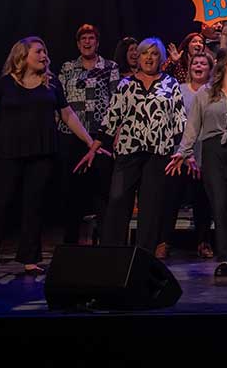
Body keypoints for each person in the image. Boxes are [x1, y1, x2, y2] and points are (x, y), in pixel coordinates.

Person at [0, 37, 104, 280]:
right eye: (38, 52)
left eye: (45, 52)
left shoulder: (52, 83)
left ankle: (29, 260)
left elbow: (68, 115)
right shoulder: (5, 83)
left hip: (41, 153)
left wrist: (90, 142)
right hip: (7, 153)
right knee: (0, 205)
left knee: (34, 206)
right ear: (22, 56)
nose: (44, 56)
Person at [165, 46, 227, 276]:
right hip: (213, 150)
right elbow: (193, 125)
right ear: (224, 63)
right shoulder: (206, 92)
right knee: (220, 204)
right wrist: (183, 151)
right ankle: (226, 259)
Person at [100, 39, 187, 253]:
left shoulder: (170, 83)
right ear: (138, 58)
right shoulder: (125, 84)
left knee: (151, 206)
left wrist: (184, 150)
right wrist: (97, 145)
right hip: (128, 151)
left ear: (161, 58)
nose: (149, 58)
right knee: (118, 200)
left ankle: (143, 255)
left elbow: (179, 120)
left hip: (158, 153)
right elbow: (111, 117)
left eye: (154, 53)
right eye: (145, 53)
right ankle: (112, 253)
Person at [57, 23, 119, 245]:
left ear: (97, 42)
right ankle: (70, 243)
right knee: (72, 190)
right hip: (71, 136)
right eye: (83, 38)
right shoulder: (67, 68)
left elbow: (116, 102)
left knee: (102, 190)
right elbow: (59, 101)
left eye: (91, 37)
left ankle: (105, 241)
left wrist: (114, 134)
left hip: (100, 136)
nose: (87, 41)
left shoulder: (109, 67)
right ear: (77, 43)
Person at [161, 51, 215, 259]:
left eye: (203, 63)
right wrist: (185, 153)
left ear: (210, 69)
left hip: (205, 154)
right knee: (171, 199)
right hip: (180, 154)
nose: (198, 66)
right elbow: (173, 121)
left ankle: (203, 242)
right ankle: (164, 241)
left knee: (203, 200)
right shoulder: (179, 89)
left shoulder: (213, 92)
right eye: (195, 63)